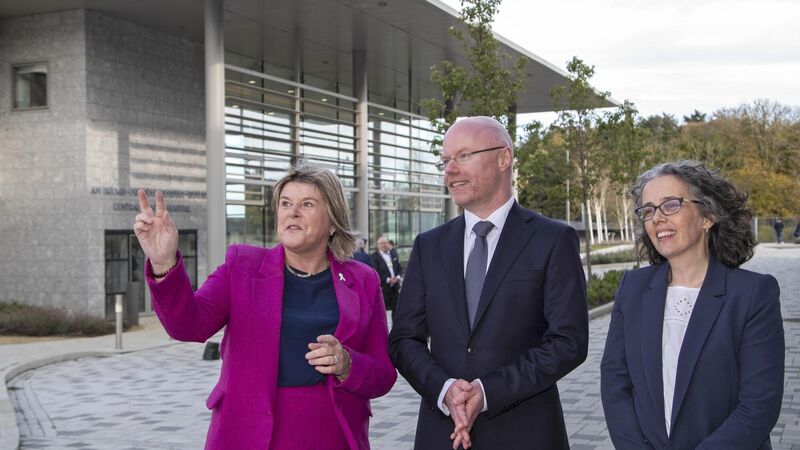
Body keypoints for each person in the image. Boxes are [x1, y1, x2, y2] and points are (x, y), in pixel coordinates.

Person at [133, 166, 396, 449]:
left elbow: (383, 373)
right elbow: (188, 326)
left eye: (307, 204)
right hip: (247, 434)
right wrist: (163, 263)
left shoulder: (363, 280)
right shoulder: (241, 267)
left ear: (333, 221)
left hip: (332, 435)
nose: (292, 212)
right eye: (286, 203)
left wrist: (346, 363)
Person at [388, 116, 589, 449]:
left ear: (504, 158)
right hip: (443, 433)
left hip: (526, 435)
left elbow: (569, 341)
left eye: (464, 156)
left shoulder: (553, 240)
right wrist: (444, 389)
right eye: (445, 160)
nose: (450, 169)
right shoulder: (429, 246)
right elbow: (404, 339)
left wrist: (488, 391)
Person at [601, 161, 784, 449]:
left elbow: (759, 406)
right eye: (648, 210)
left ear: (707, 216)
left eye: (670, 205)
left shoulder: (753, 294)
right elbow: (615, 384)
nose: (657, 218)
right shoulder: (632, 288)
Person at [370, 236, 403, 313]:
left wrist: (397, 277)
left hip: (395, 288)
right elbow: (375, 272)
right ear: (378, 245)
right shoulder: (373, 256)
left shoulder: (393, 254)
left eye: (385, 243)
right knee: (382, 312)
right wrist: (388, 280)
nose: (383, 245)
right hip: (383, 289)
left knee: (397, 311)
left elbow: (399, 268)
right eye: (381, 243)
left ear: (388, 244)